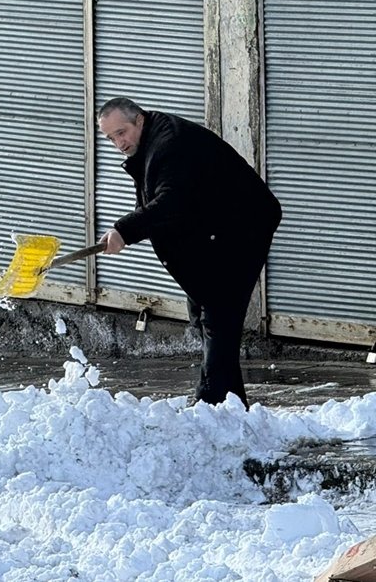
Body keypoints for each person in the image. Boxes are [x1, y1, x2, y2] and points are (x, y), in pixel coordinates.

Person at [96, 97, 281, 406]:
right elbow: (162, 201)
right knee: (204, 314)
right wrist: (128, 230)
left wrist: (125, 230)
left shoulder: (171, 145)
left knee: (218, 314)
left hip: (243, 227)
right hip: (215, 229)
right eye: (111, 137)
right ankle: (231, 405)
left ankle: (212, 404)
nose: (119, 143)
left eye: (122, 132)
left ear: (139, 120)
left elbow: (171, 202)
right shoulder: (152, 141)